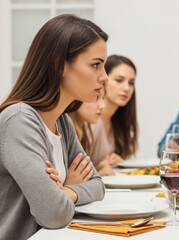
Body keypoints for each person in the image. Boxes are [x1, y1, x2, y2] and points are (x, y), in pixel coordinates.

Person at [0, 14, 107, 239]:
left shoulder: (61, 121)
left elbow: (98, 185)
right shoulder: (19, 120)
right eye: (96, 65)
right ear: (60, 65)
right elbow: (54, 213)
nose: (104, 77)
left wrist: (66, 190)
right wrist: (61, 195)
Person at [90, 54, 138, 175]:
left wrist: (117, 162)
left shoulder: (120, 122)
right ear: (103, 79)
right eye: (119, 80)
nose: (127, 88)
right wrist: (99, 168)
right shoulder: (90, 122)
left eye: (131, 82)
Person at [68, 91, 113, 175]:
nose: (103, 105)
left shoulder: (84, 131)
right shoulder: (65, 132)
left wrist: (98, 167)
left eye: (103, 98)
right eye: (96, 98)